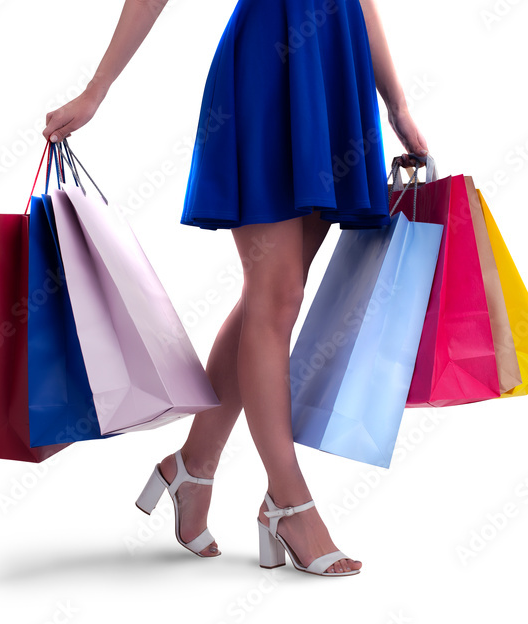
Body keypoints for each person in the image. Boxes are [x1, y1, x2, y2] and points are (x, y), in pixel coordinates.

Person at [42, 0, 428, 577]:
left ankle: (192, 467)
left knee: (271, 300)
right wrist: (96, 90)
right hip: (267, 79)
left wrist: (396, 105)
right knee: (276, 299)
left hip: (334, 73)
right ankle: (287, 502)